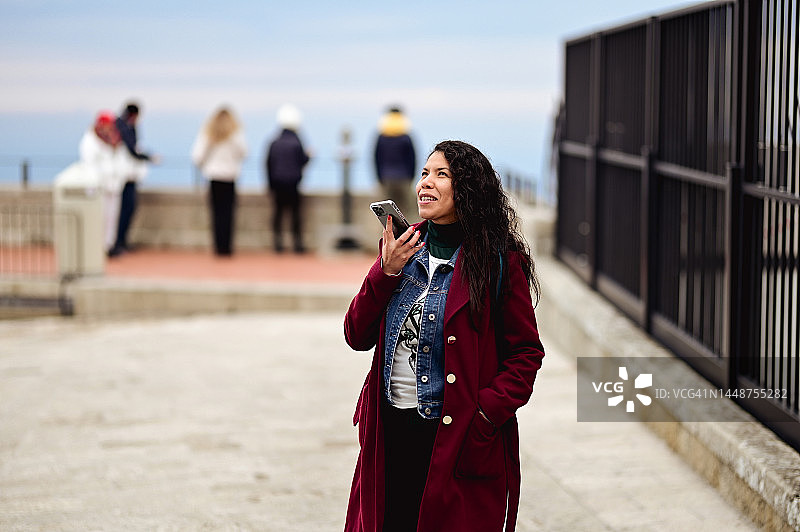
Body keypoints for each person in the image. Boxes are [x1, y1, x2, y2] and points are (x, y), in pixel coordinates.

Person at [344, 140, 545, 532]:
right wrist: (384, 274)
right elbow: (355, 334)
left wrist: (485, 413)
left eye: (441, 175)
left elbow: (526, 353)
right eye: (423, 174)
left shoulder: (499, 261)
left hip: (454, 436)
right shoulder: (402, 251)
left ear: (466, 188)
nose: (426, 184)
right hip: (390, 431)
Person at [191, 106, 247, 256]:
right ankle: (226, 247)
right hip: (230, 177)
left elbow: (197, 156)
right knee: (228, 214)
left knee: (216, 213)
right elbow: (244, 152)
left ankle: (218, 246)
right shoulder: (235, 134)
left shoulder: (208, 134)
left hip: (214, 177)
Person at [111, 102, 159, 257]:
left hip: (129, 176)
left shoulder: (124, 126)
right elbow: (133, 149)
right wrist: (149, 157)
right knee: (124, 210)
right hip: (122, 177)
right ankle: (118, 242)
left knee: (128, 209)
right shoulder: (123, 127)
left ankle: (122, 241)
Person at [265, 104, 310, 253]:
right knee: (295, 215)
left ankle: (277, 244)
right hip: (293, 183)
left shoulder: (274, 142)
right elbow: (302, 160)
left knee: (278, 214)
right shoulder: (297, 142)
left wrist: (270, 184)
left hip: (277, 183)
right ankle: (297, 245)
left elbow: (268, 164)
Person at [78, 111, 125, 256]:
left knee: (112, 219)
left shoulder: (113, 139)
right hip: (99, 187)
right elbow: (90, 165)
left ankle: (108, 246)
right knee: (99, 219)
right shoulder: (90, 141)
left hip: (114, 186)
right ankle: (97, 248)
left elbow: (118, 161)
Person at [373, 106, 417, 217]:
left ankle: (387, 234)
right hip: (404, 177)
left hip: (386, 177)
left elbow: (377, 158)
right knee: (407, 211)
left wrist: (380, 177)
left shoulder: (382, 137)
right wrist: (411, 177)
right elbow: (412, 159)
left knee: (385, 213)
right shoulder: (405, 136)